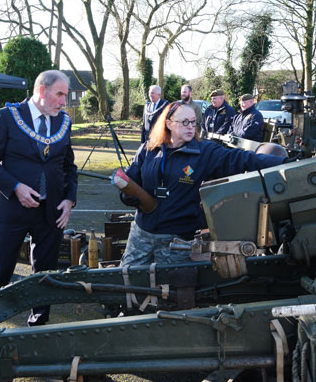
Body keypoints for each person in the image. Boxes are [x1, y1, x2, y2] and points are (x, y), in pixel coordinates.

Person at [119, 101, 285, 266]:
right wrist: (127, 196)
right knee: (127, 280)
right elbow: (131, 182)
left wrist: (285, 161)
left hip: (177, 240)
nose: (191, 126)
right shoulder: (148, 150)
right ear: (168, 123)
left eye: (193, 122)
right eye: (185, 122)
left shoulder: (204, 152)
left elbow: (242, 159)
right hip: (141, 234)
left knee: (171, 288)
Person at [0, 70, 78, 326]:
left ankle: (38, 326)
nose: (63, 101)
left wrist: (69, 200)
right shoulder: (7, 117)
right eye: (60, 94)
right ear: (42, 91)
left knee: (45, 275)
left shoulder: (63, 122)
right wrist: (15, 187)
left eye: (65, 95)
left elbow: (69, 167)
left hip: (51, 213)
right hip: (10, 211)